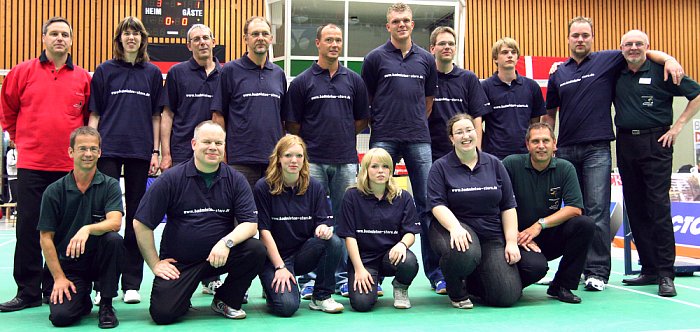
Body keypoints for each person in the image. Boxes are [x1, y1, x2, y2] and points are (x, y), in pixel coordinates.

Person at [543, 16, 684, 291]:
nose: (580, 40)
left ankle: (596, 272)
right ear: (568, 39)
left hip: (597, 149)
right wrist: (550, 143)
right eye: (576, 35)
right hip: (566, 150)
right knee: (571, 212)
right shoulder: (557, 73)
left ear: (592, 38)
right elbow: (550, 114)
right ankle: (571, 271)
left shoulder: (607, 60)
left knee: (597, 211)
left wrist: (669, 59)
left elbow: (639, 50)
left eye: (585, 35)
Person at [0, 16, 91, 312]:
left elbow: (88, 120)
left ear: (71, 40)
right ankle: (26, 291)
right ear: (44, 38)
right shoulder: (21, 72)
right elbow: (8, 110)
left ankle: (55, 284)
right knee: (28, 226)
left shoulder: (82, 78)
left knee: (66, 229)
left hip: (68, 168)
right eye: (54, 33)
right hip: (32, 164)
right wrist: (18, 139)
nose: (60, 38)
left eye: (65, 34)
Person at [133, 120, 266, 324]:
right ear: (194, 144)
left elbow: (250, 223)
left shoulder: (235, 179)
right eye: (207, 142)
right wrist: (155, 264)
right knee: (163, 314)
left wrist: (226, 243)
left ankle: (225, 299)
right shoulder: (171, 179)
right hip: (181, 264)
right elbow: (141, 223)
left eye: (218, 143)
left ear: (224, 146)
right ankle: (182, 297)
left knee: (255, 250)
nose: (213, 147)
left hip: (219, 257)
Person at [285, 23, 370, 298]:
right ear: (317, 44)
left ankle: (344, 275)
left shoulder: (354, 81)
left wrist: (341, 136)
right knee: (313, 221)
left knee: (346, 220)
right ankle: (311, 277)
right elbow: (293, 124)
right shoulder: (301, 82)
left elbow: (361, 120)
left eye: (338, 40)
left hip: (346, 161)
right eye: (329, 40)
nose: (335, 44)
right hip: (314, 163)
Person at [614, 30, 700, 297]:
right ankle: (649, 269)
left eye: (639, 44)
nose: (634, 48)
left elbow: (696, 94)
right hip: (626, 143)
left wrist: (678, 128)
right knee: (636, 208)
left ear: (648, 47)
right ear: (621, 48)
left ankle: (666, 274)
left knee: (658, 207)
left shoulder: (663, 70)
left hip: (657, 144)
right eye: (628, 44)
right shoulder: (616, 69)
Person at [361, 2, 439, 293]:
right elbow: (365, 101)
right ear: (388, 26)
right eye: (396, 21)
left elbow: (427, 102)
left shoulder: (426, 60)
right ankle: (374, 274)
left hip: (419, 138)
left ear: (412, 24)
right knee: (372, 201)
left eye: (406, 20)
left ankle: (436, 272)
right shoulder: (374, 58)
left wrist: (413, 122)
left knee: (428, 205)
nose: (401, 24)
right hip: (384, 139)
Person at [88, 16, 162, 304]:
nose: (131, 38)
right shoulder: (105, 71)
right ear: (119, 39)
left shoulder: (153, 73)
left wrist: (155, 151)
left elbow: (156, 116)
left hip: (139, 151)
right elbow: (94, 114)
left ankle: (131, 283)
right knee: (104, 216)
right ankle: (99, 283)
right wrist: (92, 150)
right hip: (108, 151)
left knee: (135, 218)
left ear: (143, 40)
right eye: (126, 33)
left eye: (136, 34)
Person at [428, 113, 521, 309]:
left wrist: (511, 242)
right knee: (465, 252)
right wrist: (454, 227)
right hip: (453, 229)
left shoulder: (495, 164)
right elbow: (437, 205)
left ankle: (475, 282)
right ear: (452, 138)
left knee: (506, 296)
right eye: (459, 132)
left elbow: (508, 206)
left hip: (490, 235)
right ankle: (456, 289)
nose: (465, 136)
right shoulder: (440, 167)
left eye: (469, 130)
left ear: (476, 132)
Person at [159, 23, 224, 295]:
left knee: (214, 217)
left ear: (213, 41)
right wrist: (166, 154)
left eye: (206, 38)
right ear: (189, 45)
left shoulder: (225, 73)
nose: (202, 43)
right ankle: (175, 268)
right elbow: (167, 115)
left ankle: (211, 276)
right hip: (184, 155)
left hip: (214, 155)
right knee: (180, 216)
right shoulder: (177, 73)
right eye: (195, 39)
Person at [38, 127, 123, 328]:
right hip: (69, 266)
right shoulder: (54, 191)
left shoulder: (110, 185)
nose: (88, 154)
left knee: (114, 240)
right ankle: (82, 297)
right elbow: (45, 238)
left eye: (93, 149)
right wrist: (58, 278)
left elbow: (115, 222)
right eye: (82, 148)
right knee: (61, 318)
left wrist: (87, 229)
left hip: (98, 260)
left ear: (100, 153)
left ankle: (106, 304)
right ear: (71, 152)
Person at [503, 122, 595, 304]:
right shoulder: (510, 164)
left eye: (546, 141)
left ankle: (562, 285)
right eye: (535, 141)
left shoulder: (565, 168)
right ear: (527, 145)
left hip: (546, 235)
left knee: (585, 224)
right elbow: (498, 204)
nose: (541, 146)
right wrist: (513, 237)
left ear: (554, 144)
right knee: (536, 269)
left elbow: (575, 208)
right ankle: (503, 284)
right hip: (518, 239)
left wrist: (539, 225)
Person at [255, 135, 345, 316]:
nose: (294, 160)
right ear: (278, 158)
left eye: (299, 156)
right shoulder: (263, 187)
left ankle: (321, 296)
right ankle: (272, 287)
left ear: (304, 159)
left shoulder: (314, 187)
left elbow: (323, 221)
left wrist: (323, 229)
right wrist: (280, 267)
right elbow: (263, 231)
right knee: (287, 307)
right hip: (274, 259)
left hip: (302, 256)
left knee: (333, 241)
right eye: (288, 155)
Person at [337, 148, 420, 311]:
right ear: (366, 169)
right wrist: (359, 269)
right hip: (364, 260)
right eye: (374, 166)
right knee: (361, 304)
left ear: (391, 170)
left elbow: (410, 232)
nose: (380, 171)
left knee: (409, 262)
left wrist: (402, 245)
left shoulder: (403, 197)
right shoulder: (351, 196)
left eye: (385, 166)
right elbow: (349, 237)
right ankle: (371, 286)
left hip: (391, 256)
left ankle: (400, 287)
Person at [211, 16, 287, 188]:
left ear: (271, 39)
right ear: (245, 38)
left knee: (270, 213)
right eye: (255, 34)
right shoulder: (230, 70)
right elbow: (218, 115)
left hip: (273, 161)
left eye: (264, 34)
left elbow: (282, 121)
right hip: (240, 161)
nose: (260, 37)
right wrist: (222, 155)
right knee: (243, 214)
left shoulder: (278, 74)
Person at [429, 26, 490, 161]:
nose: (447, 47)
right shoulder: (426, 78)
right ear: (432, 49)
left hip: (463, 152)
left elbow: (477, 118)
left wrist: (477, 151)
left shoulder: (468, 78)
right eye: (442, 43)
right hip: (430, 153)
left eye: (451, 44)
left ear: (455, 48)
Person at [482, 37, 546, 160]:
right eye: (505, 52)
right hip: (495, 156)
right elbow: (477, 123)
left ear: (517, 57)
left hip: (525, 156)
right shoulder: (485, 87)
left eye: (513, 52)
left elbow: (536, 124)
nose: (510, 55)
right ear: (495, 58)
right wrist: (486, 147)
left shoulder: (532, 86)